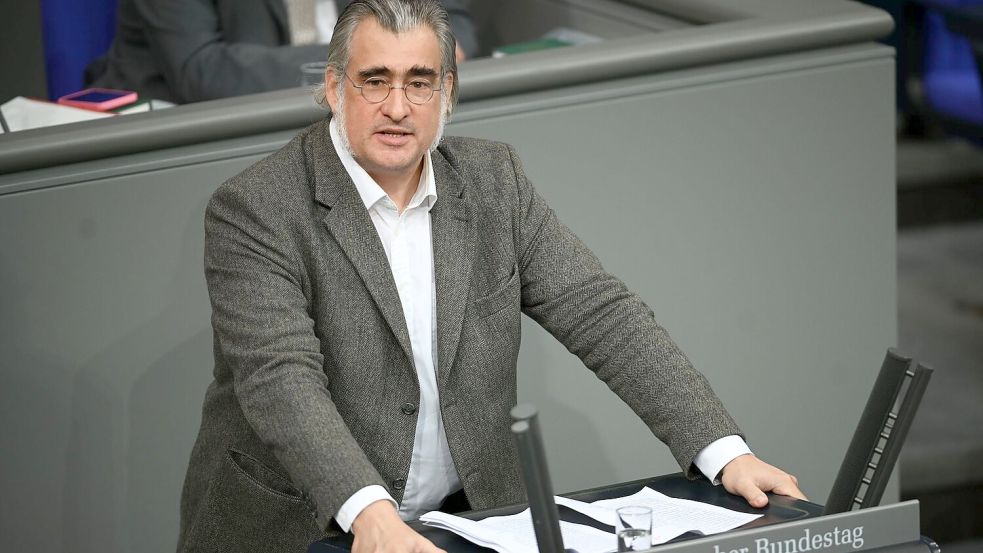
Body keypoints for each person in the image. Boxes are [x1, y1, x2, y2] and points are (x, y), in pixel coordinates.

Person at [178, 1, 806, 552]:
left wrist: (725, 452)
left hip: (467, 520)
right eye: (375, 81)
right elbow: (280, 380)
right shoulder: (256, 207)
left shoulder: (493, 182)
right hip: (308, 527)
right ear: (334, 88)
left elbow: (601, 312)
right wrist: (367, 509)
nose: (397, 107)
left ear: (448, 92)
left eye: (419, 83)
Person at [88, 0, 476, 104]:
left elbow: (451, 22)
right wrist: (370, 54)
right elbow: (201, 70)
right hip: (182, 140)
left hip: (344, 112)